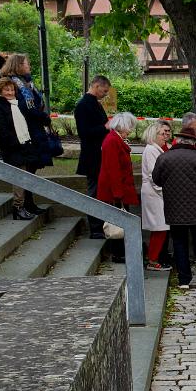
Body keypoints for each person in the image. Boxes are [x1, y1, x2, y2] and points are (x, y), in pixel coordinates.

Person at [153, 121, 196, 290]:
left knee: (179, 244)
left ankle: (183, 280)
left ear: (178, 140)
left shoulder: (164, 157)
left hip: (174, 208)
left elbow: (156, 180)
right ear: (193, 142)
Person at [0, 77, 44, 219]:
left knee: (25, 176)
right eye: (7, 90)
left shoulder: (15, 104)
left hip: (24, 145)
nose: (10, 92)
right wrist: (15, 143)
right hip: (12, 148)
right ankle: (18, 207)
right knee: (19, 178)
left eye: (12, 89)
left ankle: (24, 205)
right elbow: (1, 130)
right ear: (0, 91)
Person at [96, 112, 141, 259]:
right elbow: (113, 169)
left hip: (118, 189)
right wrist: (118, 194)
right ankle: (118, 253)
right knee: (117, 222)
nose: (130, 131)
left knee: (120, 221)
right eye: (129, 128)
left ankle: (120, 251)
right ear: (123, 126)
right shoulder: (112, 141)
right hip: (115, 191)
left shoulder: (115, 139)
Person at [0, 54, 53, 169]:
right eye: (27, 63)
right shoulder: (14, 84)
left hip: (35, 127)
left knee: (33, 164)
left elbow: (36, 101)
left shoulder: (26, 81)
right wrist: (43, 117)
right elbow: (26, 107)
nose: (29, 66)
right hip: (27, 129)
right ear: (19, 66)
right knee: (28, 165)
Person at [74, 75, 111, 238]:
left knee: (99, 190)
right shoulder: (83, 105)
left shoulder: (94, 103)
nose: (105, 94)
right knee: (94, 191)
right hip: (92, 156)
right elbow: (84, 133)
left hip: (99, 155)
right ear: (96, 86)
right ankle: (95, 227)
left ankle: (100, 224)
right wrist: (105, 127)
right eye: (104, 90)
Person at [139, 120, 172, 270]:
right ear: (155, 133)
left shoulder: (158, 149)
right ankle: (153, 260)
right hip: (155, 193)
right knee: (159, 228)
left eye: (168, 132)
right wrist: (164, 191)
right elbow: (154, 175)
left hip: (157, 192)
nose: (166, 135)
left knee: (160, 228)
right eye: (163, 132)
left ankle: (153, 258)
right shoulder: (152, 150)